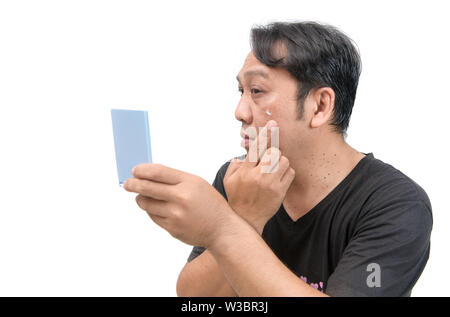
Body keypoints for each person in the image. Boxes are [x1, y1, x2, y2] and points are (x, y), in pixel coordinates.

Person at [123, 21, 432, 296]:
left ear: (320, 106)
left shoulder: (396, 204)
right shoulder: (239, 178)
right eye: (241, 90)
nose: (240, 112)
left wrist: (223, 226)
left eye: (257, 90)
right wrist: (246, 215)